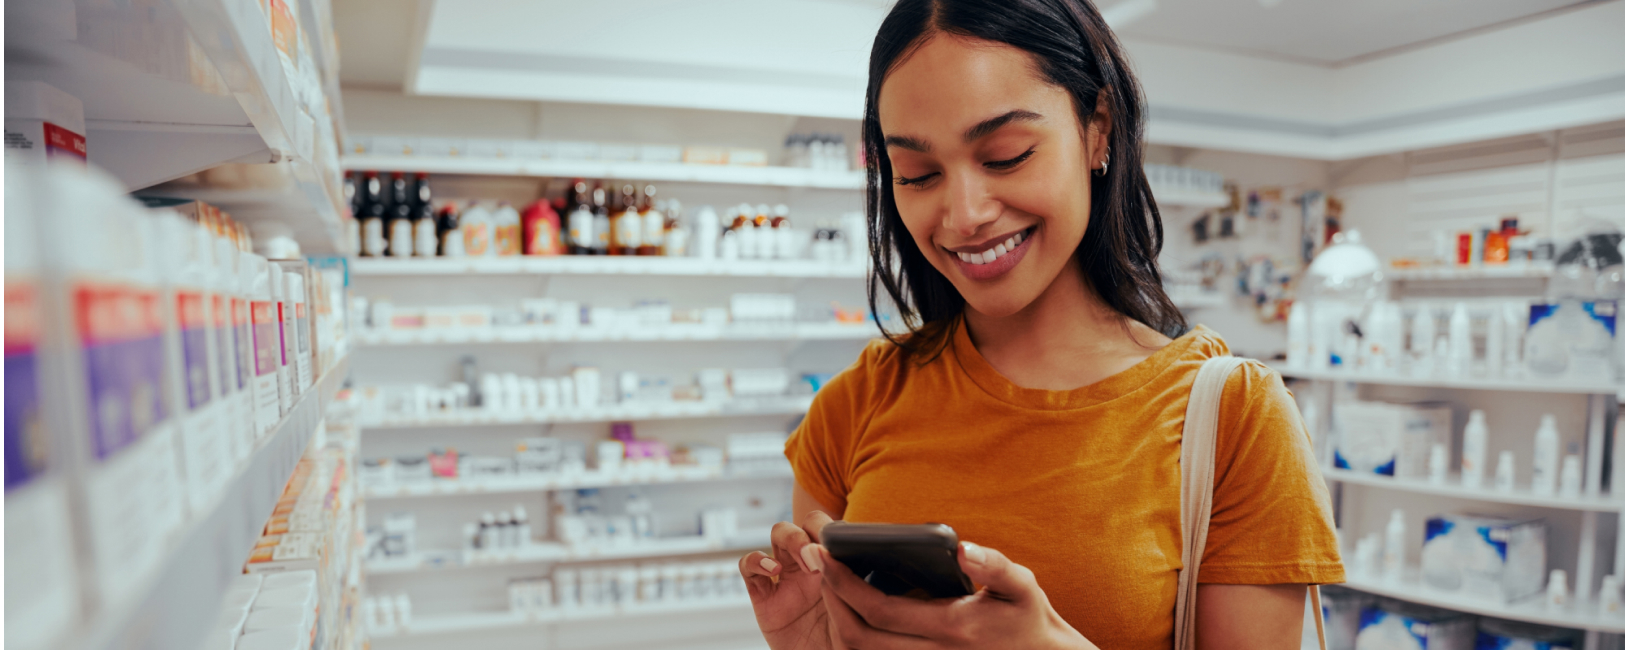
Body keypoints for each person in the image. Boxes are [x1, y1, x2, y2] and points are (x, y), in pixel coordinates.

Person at [735, 0, 1342, 648]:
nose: (963, 214)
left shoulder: (1232, 418)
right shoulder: (857, 403)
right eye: (918, 174)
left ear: (1097, 129)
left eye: (1005, 155)